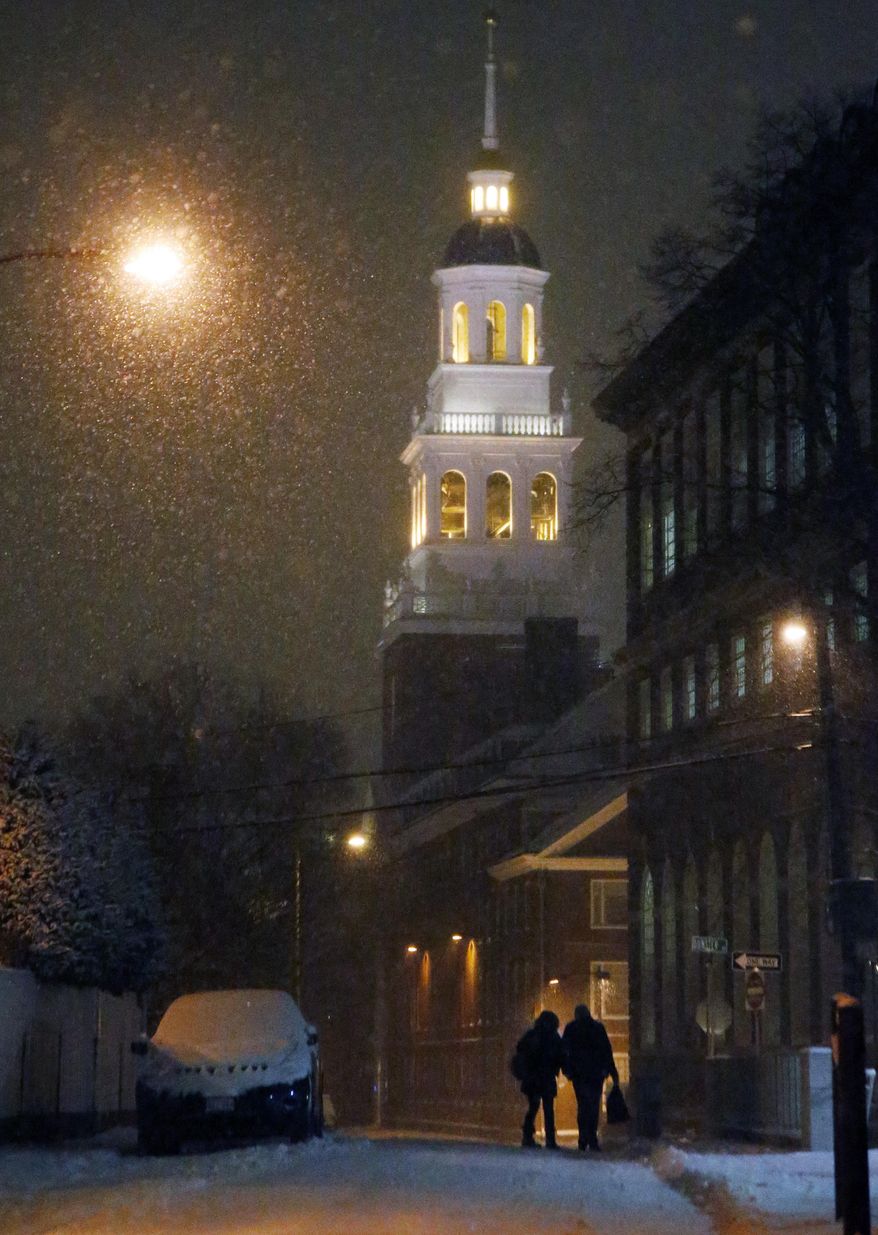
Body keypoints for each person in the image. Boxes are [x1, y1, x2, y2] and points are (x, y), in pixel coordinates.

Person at [561, 1003, 619, 1151]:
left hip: (579, 1074)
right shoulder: (598, 1028)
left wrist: (567, 1070)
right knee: (593, 1105)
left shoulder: (571, 1029)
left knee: (583, 1105)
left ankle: (583, 1137)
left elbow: (564, 1052)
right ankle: (592, 1137)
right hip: (595, 1074)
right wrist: (611, 1072)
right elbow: (606, 1050)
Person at [514, 1009, 563, 1148]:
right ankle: (550, 1140)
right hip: (546, 1077)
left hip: (532, 1078)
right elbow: (560, 1055)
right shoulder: (553, 1037)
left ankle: (528, 1136)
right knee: (548, 1109)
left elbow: (520, 1048)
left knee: (533, 1107)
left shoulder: (532, 1034)